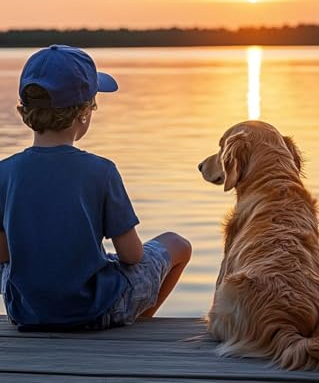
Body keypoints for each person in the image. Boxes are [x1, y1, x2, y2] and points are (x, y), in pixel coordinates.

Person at [0, 44, 191, 330]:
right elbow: (132, 255)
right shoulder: (101, 171)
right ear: (84, 113)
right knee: (178, 245)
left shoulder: (5, 171)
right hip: (91, 312)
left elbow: (4, 256)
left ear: (26, 111)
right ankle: (133, 323)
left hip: (26, 313)